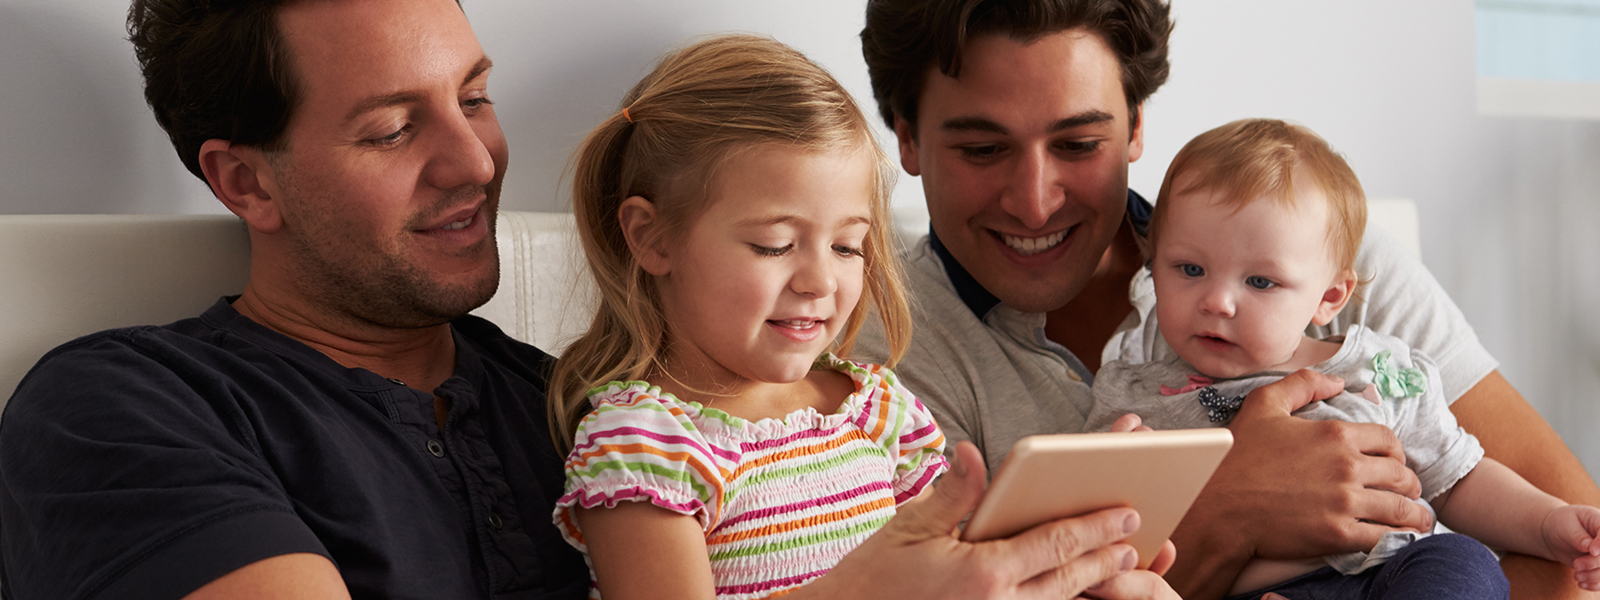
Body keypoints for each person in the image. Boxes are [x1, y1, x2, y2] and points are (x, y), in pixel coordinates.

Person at [0, 1, 1178, 598]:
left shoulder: (560, 401)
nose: (472, 161)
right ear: (244, 179)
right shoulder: (128, 407)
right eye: (394, 128)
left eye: (472, 97)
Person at [854, 0, 1600, 597]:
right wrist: (1227, 511)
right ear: (907, 136)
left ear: (1137, 124)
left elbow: (1574, 562)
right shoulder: (878, 356)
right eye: (982, 149)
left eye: (1079, 144)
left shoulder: (1321, 249)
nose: (1036, 200)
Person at [1086, 118, 1600, 598]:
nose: (1217, 301)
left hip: (1387, 578)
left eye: (1260, 281)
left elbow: (1457, 477)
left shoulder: (1377, 369)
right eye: (1189, 269)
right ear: (1154, 263)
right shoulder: (1131, 396)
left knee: (1463, 562)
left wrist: (1548, 522)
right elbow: (1103, 532)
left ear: (1331, 296)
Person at [545, 34, 951, 598]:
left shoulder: (878, 413)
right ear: (652, 237)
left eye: (847, 247)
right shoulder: (646, 451)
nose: (819, 282)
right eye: (774, 245)